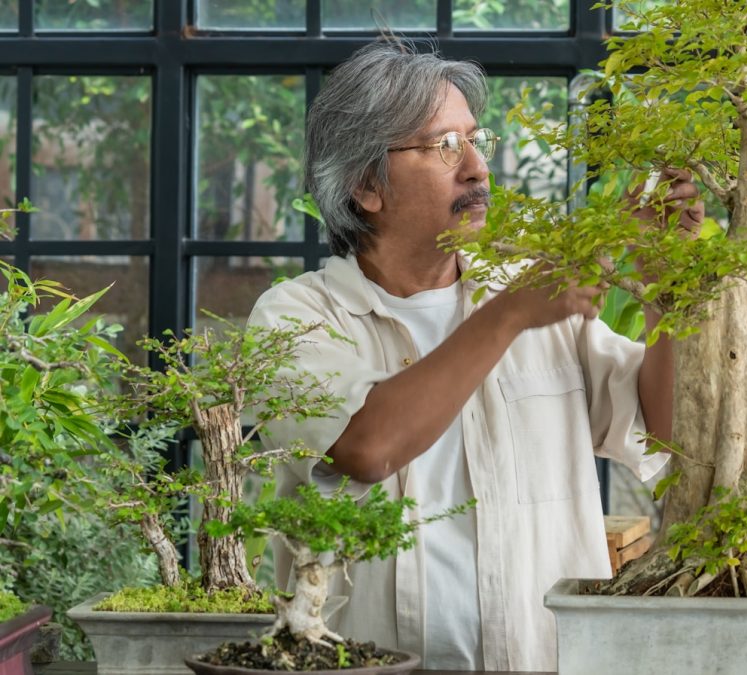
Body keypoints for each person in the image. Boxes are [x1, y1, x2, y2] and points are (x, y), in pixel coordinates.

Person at [247, 39, 703, 672]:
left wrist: (665, 290)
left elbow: (671, 434)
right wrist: (511, 313)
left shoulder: (526, 293)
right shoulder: (297, 316)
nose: (478, 168)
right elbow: (366, 447)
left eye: (475, 138)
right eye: (443, 147)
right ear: (365, 187)